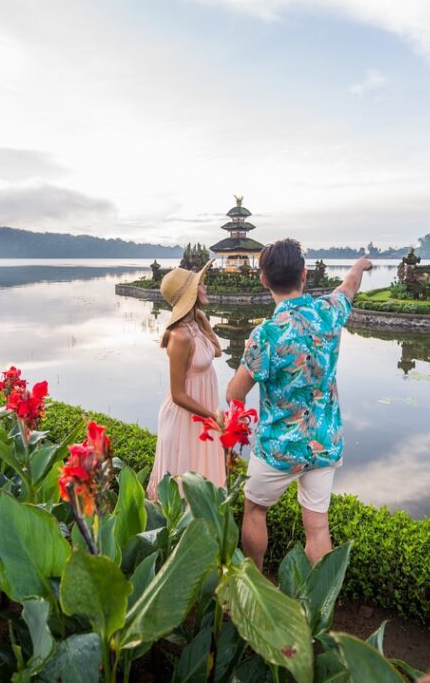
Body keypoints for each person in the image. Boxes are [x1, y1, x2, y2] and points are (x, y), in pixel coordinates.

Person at [226, 240, 372, 569]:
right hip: (324, 442)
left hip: (278, 446)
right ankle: (316, 608)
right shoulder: (328, 313)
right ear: (304, 274)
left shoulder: (266, 334)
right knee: (317, 527)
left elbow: (234, 394)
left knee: (255, 510)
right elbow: (348, 288)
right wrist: (360, 265)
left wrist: (249, 353)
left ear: (263, 280)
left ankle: (256, 584)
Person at [146, 259, 226, 499]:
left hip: (201, 413)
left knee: (202, 481)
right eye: (201, 284)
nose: (205, 288)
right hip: (185, 418)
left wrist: (204, 323)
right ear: (191, 293)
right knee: (183, 488)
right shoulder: (180, 335)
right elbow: (178, 394)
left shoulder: (195, 324)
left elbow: (218, 352)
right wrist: (212, 417)